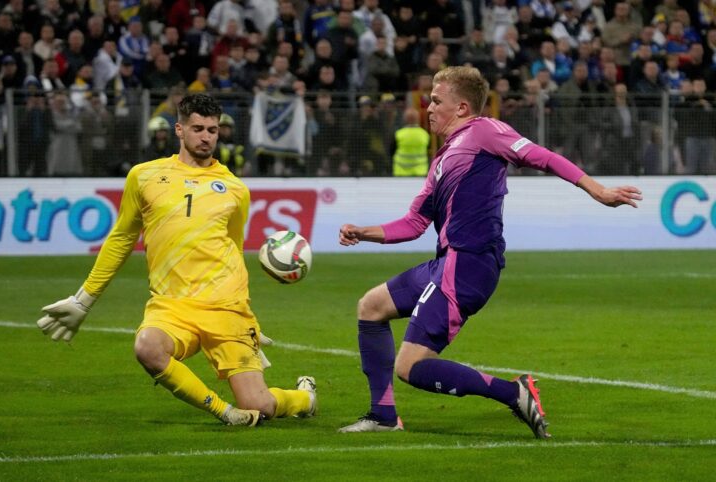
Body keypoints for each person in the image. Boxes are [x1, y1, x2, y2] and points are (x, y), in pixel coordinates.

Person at [337, 66, 642, 437]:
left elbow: (542, 156)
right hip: (445, 262)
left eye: (436, 101)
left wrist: (597, 189)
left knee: (411, 366)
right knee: (371, 306)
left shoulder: (484, 131)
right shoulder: (441, 162)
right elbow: (413, 224)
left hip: (468, 264)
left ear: (463, 107)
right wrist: (362, 231)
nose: (427, 108)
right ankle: (383, 415)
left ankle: (513, 392)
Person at [37, 94, 317, 427]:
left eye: (213, 129)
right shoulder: (144, 177)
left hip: (226, 308)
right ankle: (225, 413)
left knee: (262, 405)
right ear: (179, 130)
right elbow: (122, 238)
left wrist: (247, 322)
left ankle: (305, 398)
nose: (206, 136)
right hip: (172, 306)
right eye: (198, 128)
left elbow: (233, 248)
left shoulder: (235, 188)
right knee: (147, 348)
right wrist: (84, 300)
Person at [391, 107, 430, 176]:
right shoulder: (424, 134)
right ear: (418, 119)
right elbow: (428, 150)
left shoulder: (398, 134)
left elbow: (391, 151)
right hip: (420, 171)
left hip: (401, 171)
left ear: (405, 119)